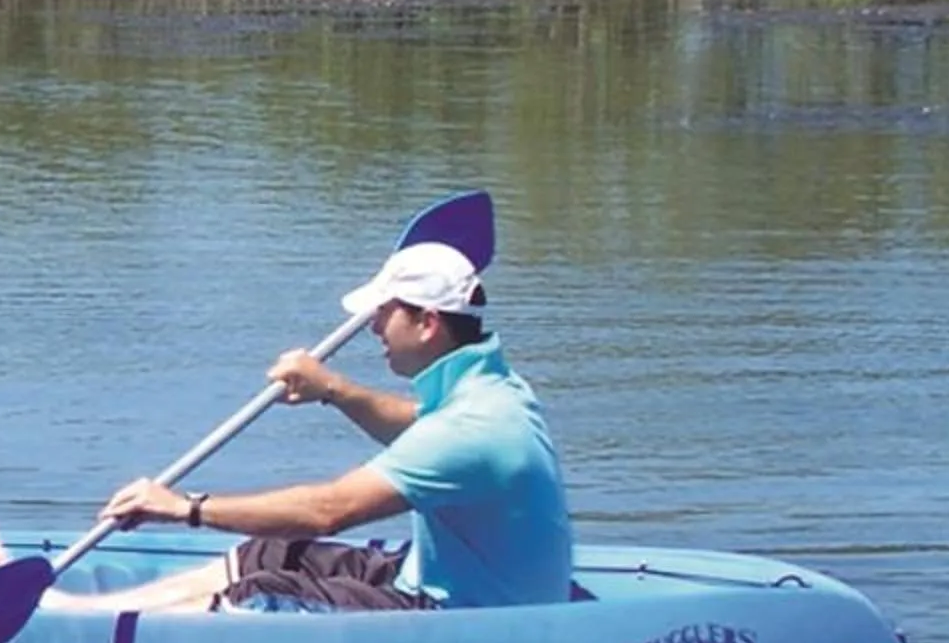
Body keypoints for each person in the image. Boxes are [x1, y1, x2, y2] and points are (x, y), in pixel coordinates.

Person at [41, 237, 572, 613]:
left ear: (428, 323)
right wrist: (333, 389)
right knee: (266, 552)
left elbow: (328, 512)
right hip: (438, 578)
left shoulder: (471, 428)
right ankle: (83, 612)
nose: (373, 327)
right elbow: (418, 429)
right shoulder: (491, 388)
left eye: (383, 313)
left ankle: (75, 626)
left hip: (471, 614)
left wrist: (186, 508)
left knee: (262, 594)